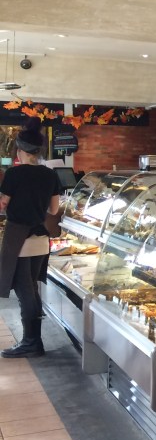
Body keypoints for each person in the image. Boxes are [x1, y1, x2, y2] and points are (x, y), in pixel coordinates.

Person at [0, 117, 61, 358]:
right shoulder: (50, 175)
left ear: (21, 150)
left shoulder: (14, 174)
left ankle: (31, 342)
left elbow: (3, 204)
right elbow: (54, 210)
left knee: (24, 290)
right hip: (41, 239)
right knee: (31, 288)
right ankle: (33, 340)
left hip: (19, 239)